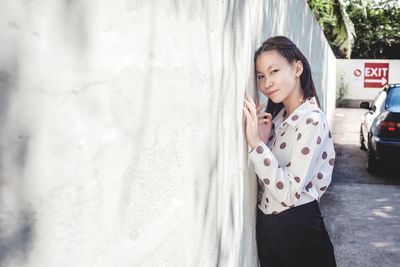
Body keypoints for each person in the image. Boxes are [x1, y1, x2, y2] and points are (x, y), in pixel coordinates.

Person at [242, 36, 337, 267]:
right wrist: (263, 141)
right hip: (269, 229)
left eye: (274, 71)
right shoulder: (278, 119)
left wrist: (256, 144)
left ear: (297, 68)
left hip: (300, 233)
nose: (267, 83)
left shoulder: (312, 121)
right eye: (261, 76)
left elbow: (288, 193)